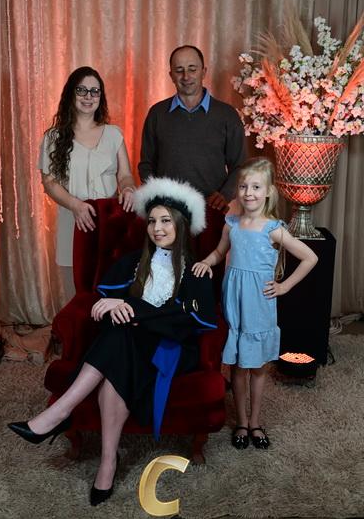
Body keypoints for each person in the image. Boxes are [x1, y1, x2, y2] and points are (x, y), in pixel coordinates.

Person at [8, 177, 217, 505]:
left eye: (165, 221)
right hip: (129, 347)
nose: (157, 228)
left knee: (122, 334)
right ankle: (107, 461)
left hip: (170, 351)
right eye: (152, 221)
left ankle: (61, 411)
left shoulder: (196, 271)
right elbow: (101, 302)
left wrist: (130, 307)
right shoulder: (133, 263)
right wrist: (111, 306)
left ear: (181, 224)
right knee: (118, 343)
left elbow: (190, 322)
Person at [192, 158, 318, 449]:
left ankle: (256, 421)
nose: (249, 193)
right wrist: (206, 262)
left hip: (259, 304)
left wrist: (284, 286)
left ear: (269, 192)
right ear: (237, 190)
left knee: (258, 366)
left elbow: (310, 257)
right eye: (244, 186)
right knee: (238, 365)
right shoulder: (231, 224)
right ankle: (241, 422)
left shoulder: (273, 229)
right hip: (234, 301)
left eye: (256, 187)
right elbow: (219, 252)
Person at [39, 66, 136, 300]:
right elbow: (49, 182)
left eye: (95, 91)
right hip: (73, 222)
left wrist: (129, 188)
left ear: (100, 96)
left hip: (109, 222)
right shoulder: (53, 137)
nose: (88, 96)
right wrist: (75, 205)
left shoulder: (113, 134)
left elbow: (125, 175)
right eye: (81, 90)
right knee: (76, 294)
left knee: (110, 291)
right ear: (70, 93)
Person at [138, 45, 245, 212]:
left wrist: (224, 195)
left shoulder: (227, 115)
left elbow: (240, 166)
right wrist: (157, 195)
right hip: (167, 211)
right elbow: (146, 164)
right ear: (171, 75)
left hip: (212, 210)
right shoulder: (157, 113)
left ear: (203, 72)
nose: (186, 76)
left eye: (192, 69)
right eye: (179, 70)